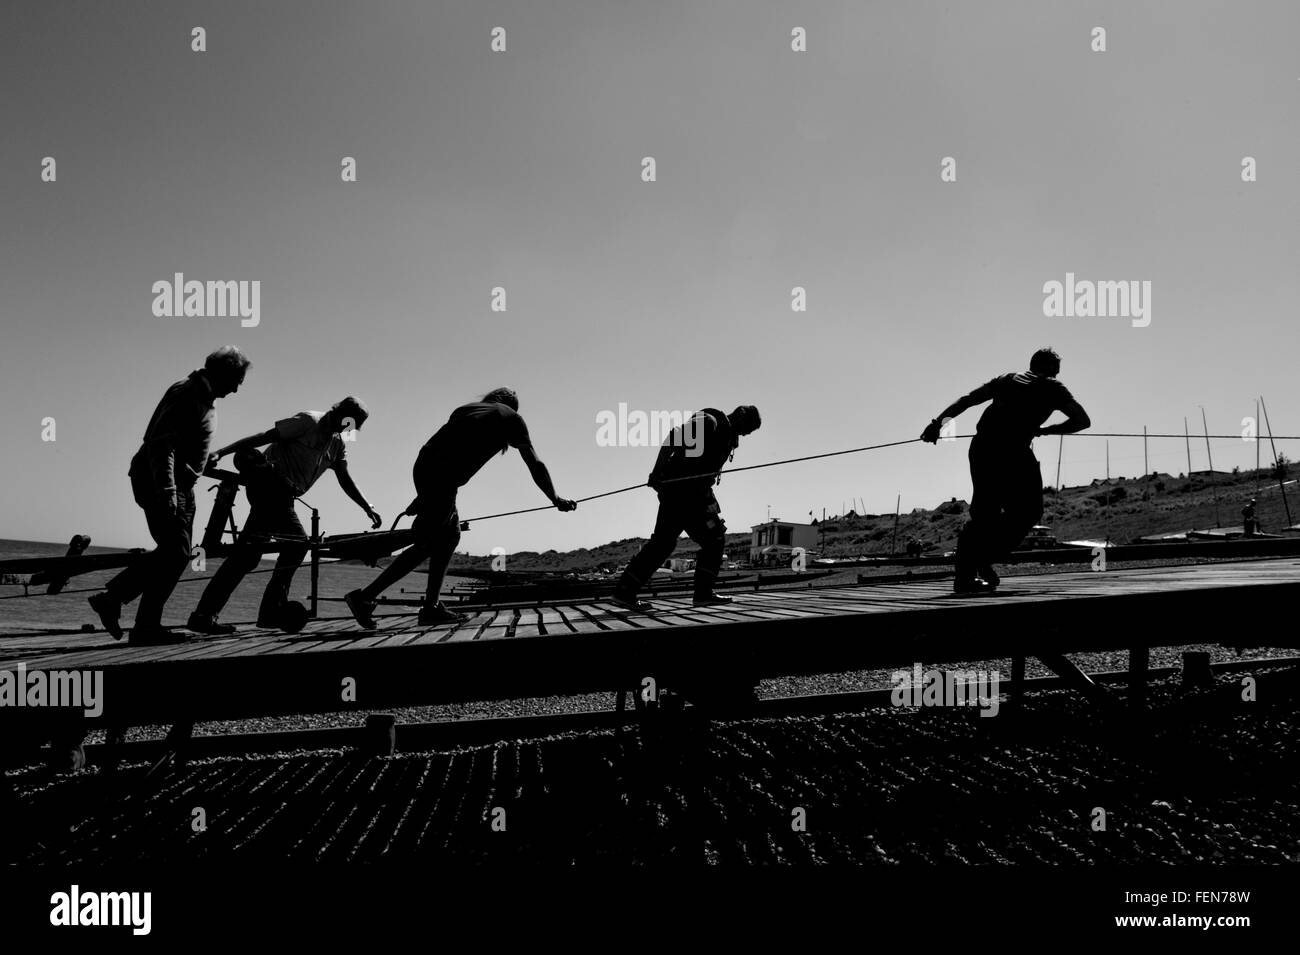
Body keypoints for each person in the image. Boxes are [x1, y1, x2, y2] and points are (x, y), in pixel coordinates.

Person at [344, 388, 576, 629]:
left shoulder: (466, 409)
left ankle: (430, 607)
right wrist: (555, 497)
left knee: (448, 536)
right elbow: (535, 463)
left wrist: (423, 495)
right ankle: (365, 597)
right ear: (512, 405)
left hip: (427, 468)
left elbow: (445, 447)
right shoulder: (512, 418)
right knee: (427, 544)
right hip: (442, 477)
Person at [88, 346, 251, 644]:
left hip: (182, 485)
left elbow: (182, 440)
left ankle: (144, 625)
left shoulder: (202, 397)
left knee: (176, 555)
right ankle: (115, 600)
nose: (237, 389)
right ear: (223, 373)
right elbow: (161, 445)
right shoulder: (187, 393)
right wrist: (167, 491)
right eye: (236, 380)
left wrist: (201, 461)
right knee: (175, 552)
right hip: (162, 483)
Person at [187, 397, 382, 633]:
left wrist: (366, 506)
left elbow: (344, 477)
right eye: (349, 423)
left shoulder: (337, 444)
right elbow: (264, 437)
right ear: (341, 413)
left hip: (285, 497)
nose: (348, 429)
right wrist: (222, 452)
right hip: (267, 486)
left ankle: (205, 615)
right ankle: (269, 611)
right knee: (297, 545)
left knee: (246, 557)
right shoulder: (308, 421)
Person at [920, 348, 1089, 594]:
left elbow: (968, 399)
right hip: (1014, 452)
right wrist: (1047, 430)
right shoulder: (1053, 388)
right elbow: (1082, 421)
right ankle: (979, 561)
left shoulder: (1006, 380)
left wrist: (938, 424)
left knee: (984, 514)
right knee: (1028, 511)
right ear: (1052, 370)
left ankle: (967, 573)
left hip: (983, 448)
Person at [611, 406, 761, 611]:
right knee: (714, 540)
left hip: (687, 495)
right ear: (741, 414)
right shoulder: (709, 422)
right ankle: (702, 595)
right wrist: (655, 474)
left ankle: (624, 591)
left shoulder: (724, 432)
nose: (745, 434)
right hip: (686, 495)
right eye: (748, 429)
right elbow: (672, 439)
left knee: (662, 544)